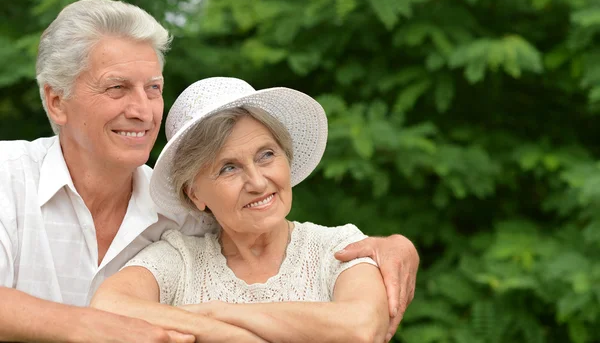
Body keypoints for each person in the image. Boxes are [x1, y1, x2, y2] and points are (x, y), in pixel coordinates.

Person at [0, 0, 419, 343]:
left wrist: (399, 245)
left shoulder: (189, 219)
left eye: (154, 88)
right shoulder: (7, 174)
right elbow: (111, 308)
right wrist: (83, 326)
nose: (142, 110)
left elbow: (355, 317)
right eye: (117, 88)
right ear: (56, 102)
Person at [91, 77, 389, 342]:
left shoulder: (339, 248)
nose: (258, 182)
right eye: (229, 168)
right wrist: (229, 334)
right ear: (194, 194)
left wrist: (215, 313)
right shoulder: (179, 259)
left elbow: (361, 328)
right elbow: (108, 307)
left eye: (267, 155)